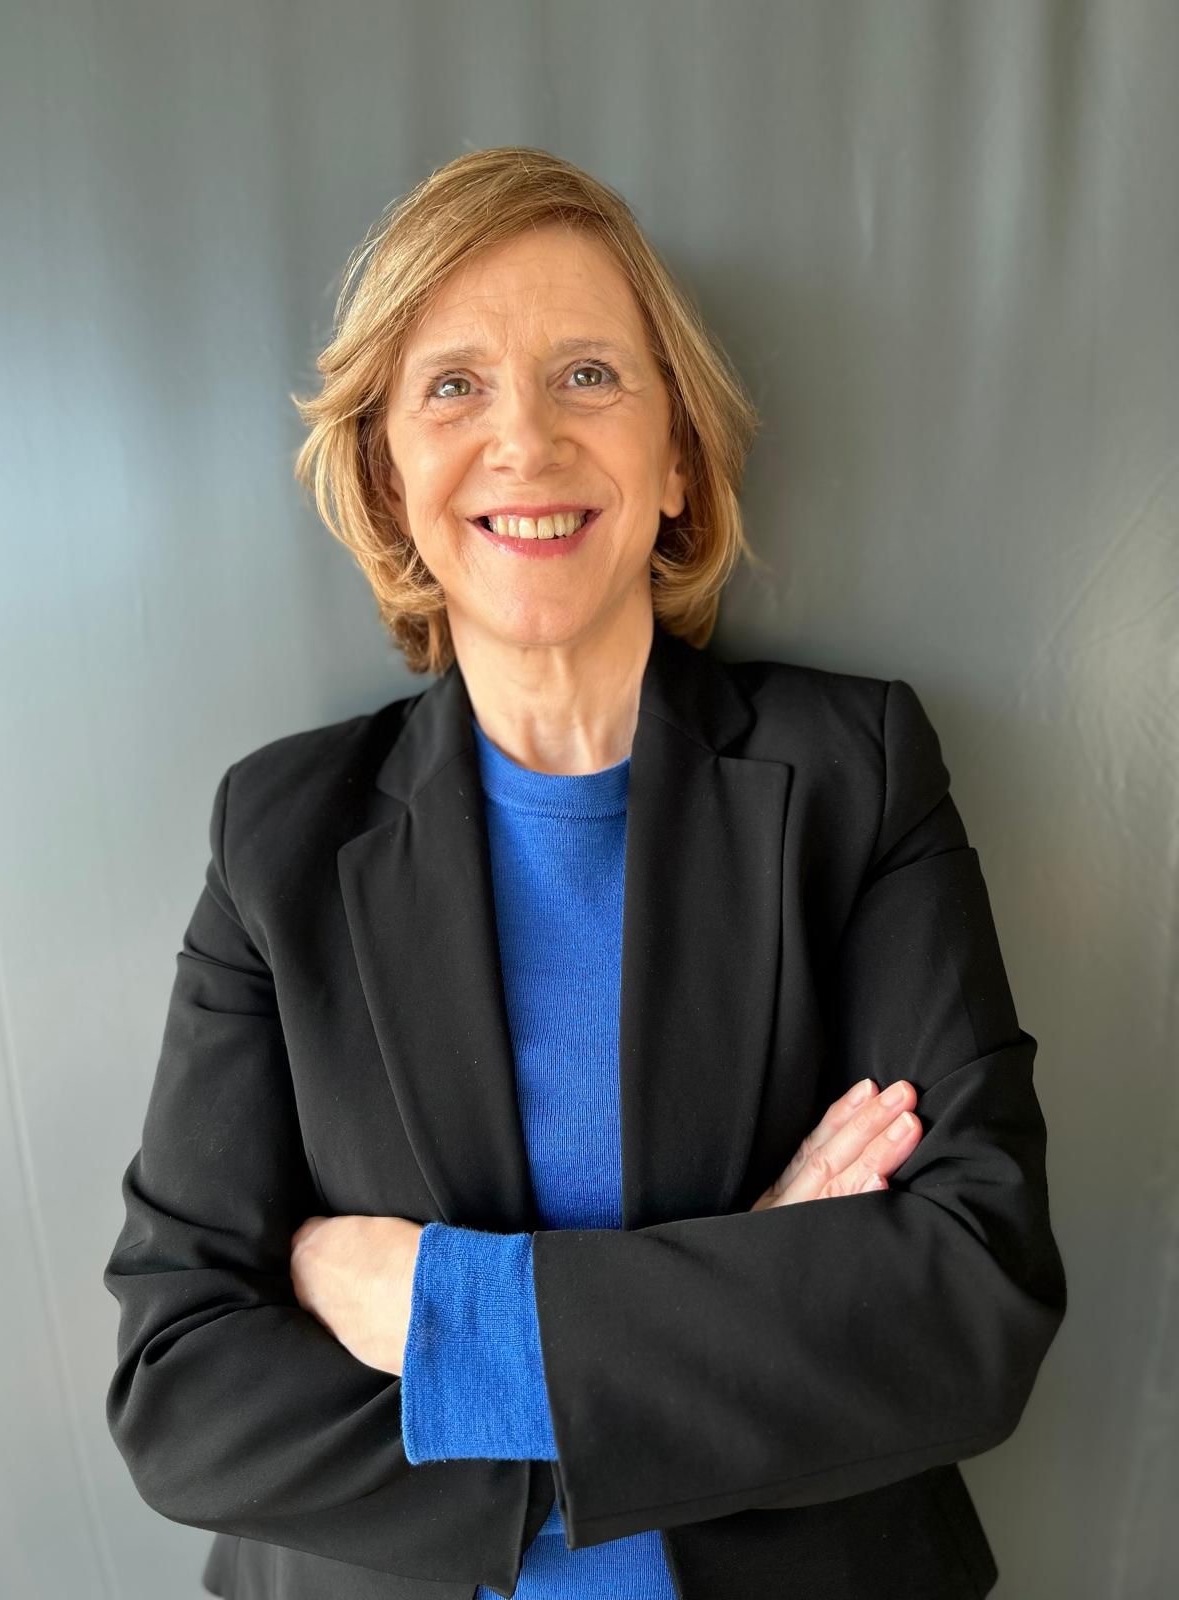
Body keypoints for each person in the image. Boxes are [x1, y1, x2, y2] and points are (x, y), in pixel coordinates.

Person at [103, 146, 1067, 1600]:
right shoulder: (277, 836)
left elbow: (972, 1299)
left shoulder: (856, 774)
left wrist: (451, 1316)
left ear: (677, 458)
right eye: (454, 387)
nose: (526, 440)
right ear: (387, 475)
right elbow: (179, 1388)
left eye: (590, 376)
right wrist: (702, 1342)